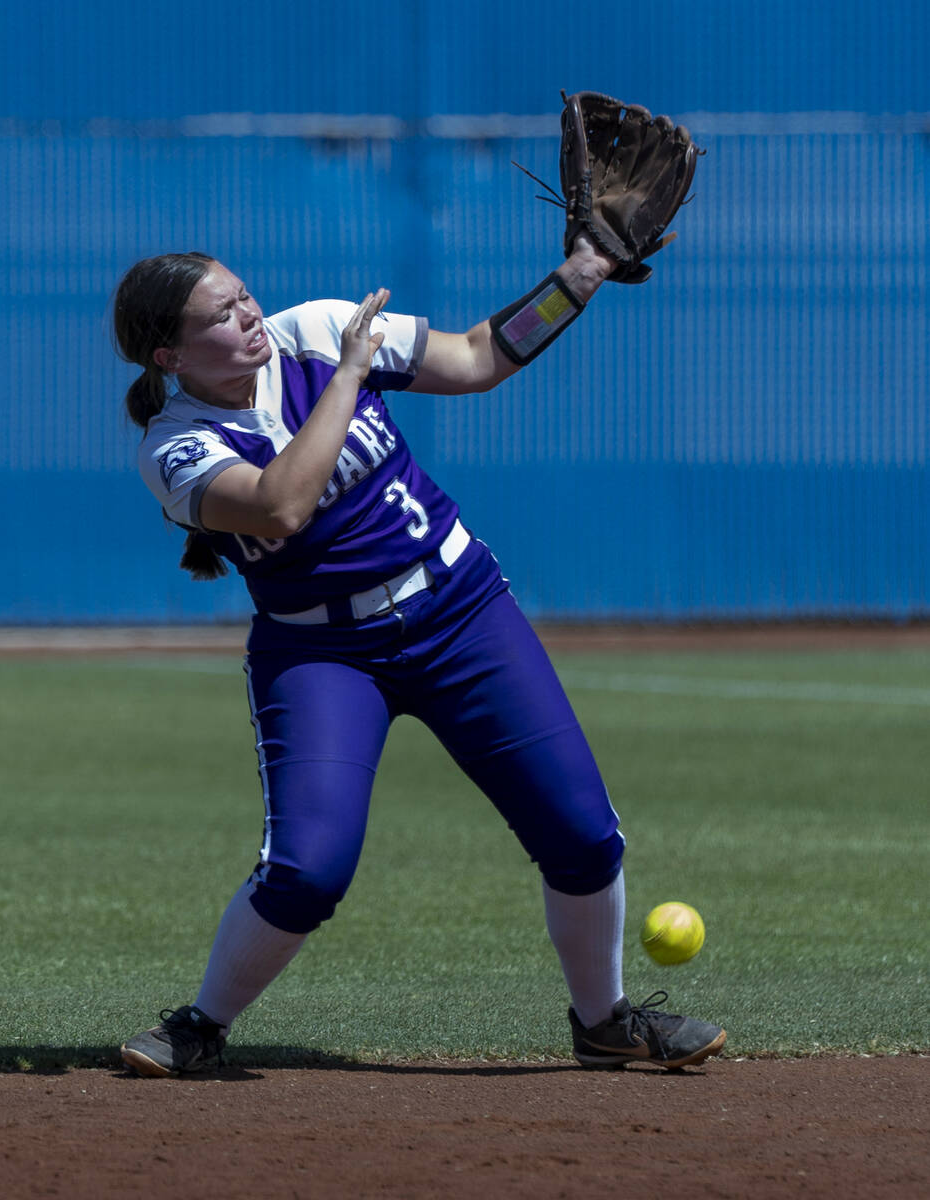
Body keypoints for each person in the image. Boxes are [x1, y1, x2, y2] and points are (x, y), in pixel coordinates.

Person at [112, 235, 726, 1077]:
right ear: (168, 354)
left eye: (244, 296)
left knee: (583, 837)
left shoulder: (323, 330)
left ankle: (604, 1021)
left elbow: (478, 356)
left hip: (460, 609)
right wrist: (353, 375)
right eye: (220, 314)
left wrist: (578, 277)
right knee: (309, 870)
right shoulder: (173, 446)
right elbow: (280, 507)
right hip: (322, 651)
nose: (248, 315)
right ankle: (201, 1025)